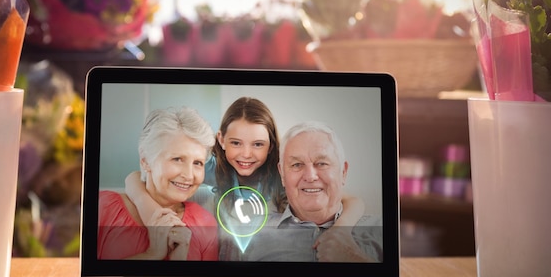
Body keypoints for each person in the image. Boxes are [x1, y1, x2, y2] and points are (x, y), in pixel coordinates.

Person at [125, 97, 365, 259]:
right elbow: (134, 178)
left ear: (271, 146)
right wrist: (150, 213)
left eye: (258, 144)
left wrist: (342, 230)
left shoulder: (285, 176)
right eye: (236, 143)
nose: (246, 155)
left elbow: (353, 201)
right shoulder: (210, 167)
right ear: (220, 139)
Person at [243, 121, 383, 263]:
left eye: (322, 164)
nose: (310, 177)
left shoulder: (380, 230)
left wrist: (354, 258)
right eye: (297, 165)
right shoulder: (251, 236)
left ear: (343, 172)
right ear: (282, 175)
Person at [98, 107, 218, 260]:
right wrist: (152, 255)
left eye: (198, 163)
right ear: (146, 161)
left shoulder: (205, 223)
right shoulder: (104, 208)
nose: (189, 175)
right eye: (177, 159)